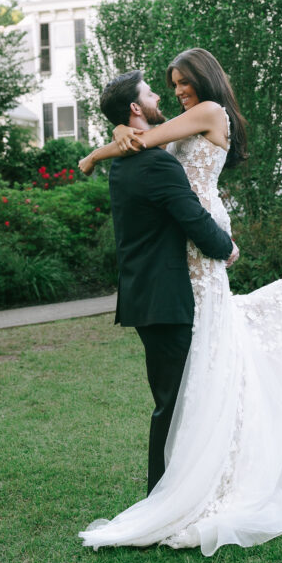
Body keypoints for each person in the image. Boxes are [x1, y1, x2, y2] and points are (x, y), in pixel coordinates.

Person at [78, 49, 282, 556]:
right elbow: (145, 140)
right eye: (168, 85)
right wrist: (119, 137)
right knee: (206, 368)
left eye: (184, 82)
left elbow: (145, 138)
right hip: (185, 259)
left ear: (204, 79)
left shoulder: (210, 114)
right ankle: (190, 483)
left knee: (204, 366)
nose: (177, 91)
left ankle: (195, 486)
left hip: (200, 246)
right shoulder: (179, 126)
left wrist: (104, 149)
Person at [87, 69, 238, 496]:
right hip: (167, 295)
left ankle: (185, 485)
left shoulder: (127, 160)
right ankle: (164, 496)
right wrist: (226, 247)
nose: (165, 94)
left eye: (176, 83)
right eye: (154, 91)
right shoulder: (157, 162)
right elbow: (193, 219)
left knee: (179, 396)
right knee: (176, 402)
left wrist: (104, 145)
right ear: (137, 107)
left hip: (148, 294)